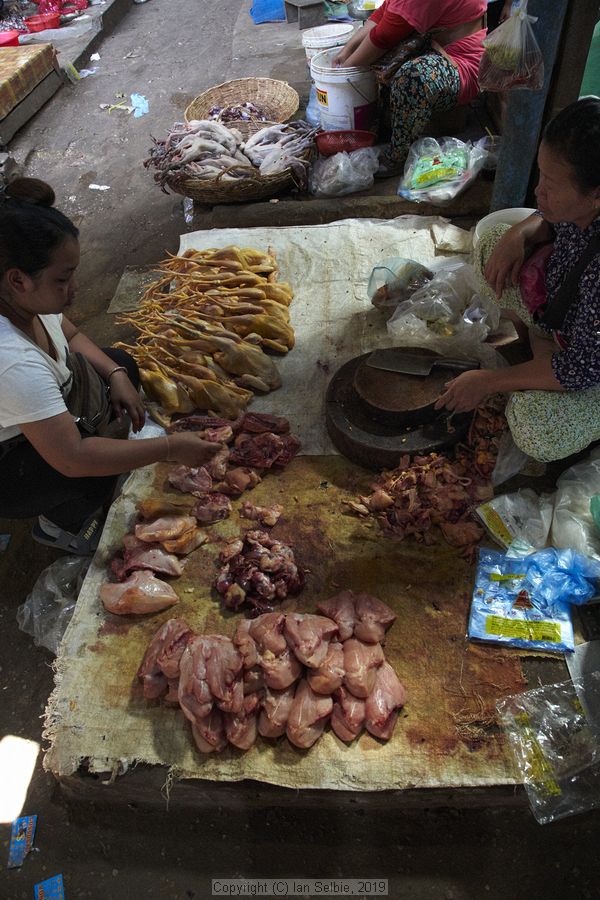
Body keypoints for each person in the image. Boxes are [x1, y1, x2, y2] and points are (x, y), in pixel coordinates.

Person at [0, 178, 222, 554]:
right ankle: (57, 525)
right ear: (18, 279)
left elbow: (70, 336)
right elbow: (73, 459)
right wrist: (168, 447)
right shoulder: (11, 362)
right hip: (10, 464)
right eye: (63, 279)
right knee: (88, 476)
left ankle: (104, 423)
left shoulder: (24, 302)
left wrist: (117, 376)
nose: (74, 289)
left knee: (121, 363)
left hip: (39, 412)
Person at [435, 97, 600, 464]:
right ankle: (539, 348)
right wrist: (522, 233)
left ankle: (543, 361)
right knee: (496, 240)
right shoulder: (580, 203)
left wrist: (487, 382)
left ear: (596, 195)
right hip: (567, 319)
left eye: (552, 184)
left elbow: (580, 369)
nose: (539, 192)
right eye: (541, 175)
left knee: (536, 427)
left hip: (591, 365)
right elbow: (547, 216)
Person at [333, 0, 487, 177]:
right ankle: (395, 123)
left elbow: (384, 36)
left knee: (412, 78)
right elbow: (386, 10)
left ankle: (398, 156)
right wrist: (347, 51)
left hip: (464, 64)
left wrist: (346, 70)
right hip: (433, 45)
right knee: (375, 62)